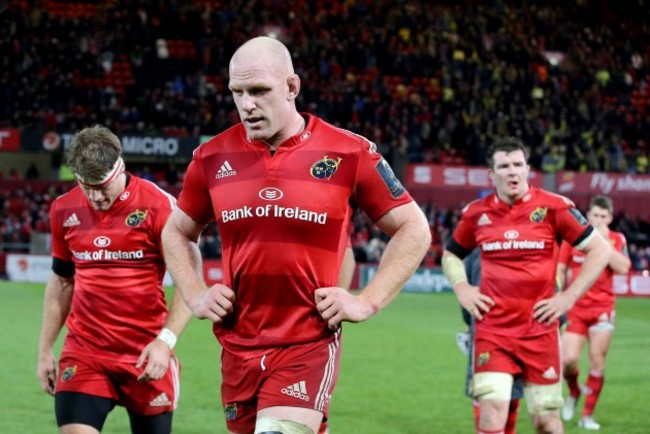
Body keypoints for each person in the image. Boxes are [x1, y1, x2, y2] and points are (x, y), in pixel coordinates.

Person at [161, 36, 431, 434]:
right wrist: (195, 292)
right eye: (237, 92)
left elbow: (414, 227)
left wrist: (368, 301)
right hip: (237, 346)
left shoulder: (349, 152)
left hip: (308, 341)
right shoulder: (210, 158)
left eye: (259, 91)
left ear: (292, 87)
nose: (247, 104)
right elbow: (177, 231)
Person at [441, 136, 611, 434]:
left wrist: (568, 298)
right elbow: (451, 254)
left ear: (528, 169)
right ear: (491, 174)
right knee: (492, 416)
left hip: (540, 332)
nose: (512, 172)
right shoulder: (475, 213)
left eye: (518, 164)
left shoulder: (555, 208)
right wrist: (462, 288)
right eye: (504, 166)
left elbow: (600, 250)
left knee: (546, 422)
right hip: (493, 332)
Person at [36, 125, 193, 434]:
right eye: (86, 186)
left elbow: (190, 283)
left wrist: (165, 342)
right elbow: (62, 282)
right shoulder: (63, 209)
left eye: (101, 186)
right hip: (85, 352)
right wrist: (44, 350)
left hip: (146, 354)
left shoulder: (159, 206)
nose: (95, 196)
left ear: (119, 167)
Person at [557, 195, 631, 430]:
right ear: (588, 215)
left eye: (603, 216)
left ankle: (587, 416)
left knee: (597, 362)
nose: (598, 219)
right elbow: (561, 269)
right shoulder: (573, 239)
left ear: (609, 217)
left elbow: (624, 267)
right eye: (595, 215)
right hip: (576, 308)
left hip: (602, 309)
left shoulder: (616, 239)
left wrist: (602, 243)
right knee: (568, 361)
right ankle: (574, 391)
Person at [455, 248, 524, 434]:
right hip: (502, 334)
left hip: (506, 333)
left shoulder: (477, 248)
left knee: (499, 394)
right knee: (497, 395)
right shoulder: (476, 247)